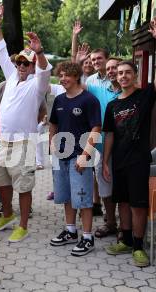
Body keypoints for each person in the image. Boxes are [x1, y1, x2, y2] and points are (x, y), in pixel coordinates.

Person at [0, 4, 51, 242]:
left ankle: (23, 226)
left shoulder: (38, 85)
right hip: (2, 140)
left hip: (24, 143)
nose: (21, 66)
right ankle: (7, 214)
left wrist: (39, 51)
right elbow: (0, 50)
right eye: (19, 63)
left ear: (32, 65)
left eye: (26, 63)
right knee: (0, 180)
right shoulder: (12, 76)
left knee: (24, 186)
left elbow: (45, 69)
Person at [102, 26, 156, 266]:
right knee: (122, 201)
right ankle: (124, 240)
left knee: (138, 204)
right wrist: (105, 161)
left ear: (134, 75)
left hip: (138, 161)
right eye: (119, 73)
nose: (122, 76)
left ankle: (137, 245)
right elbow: (110, 135)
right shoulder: (112, 106)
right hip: (118, 161)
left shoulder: (144, 96)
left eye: (127, 73)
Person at [48, 62, 101, 256]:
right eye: (60, 76)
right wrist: (52, 144)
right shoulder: (59, 99)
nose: (62, 79)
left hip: (80, 157)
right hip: (61, 156)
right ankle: (70, 231)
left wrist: (85, 155)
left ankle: (87, 237)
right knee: (66, 196)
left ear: (76, 76)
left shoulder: (89, 100)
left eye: (66, 75)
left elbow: (96, 129)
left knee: (83, 199)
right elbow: (53, 124)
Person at [86, 57, 122, 238]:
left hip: (126, 149)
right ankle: (110, 223)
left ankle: (126, 227)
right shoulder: (99, 88)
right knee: (105, 187)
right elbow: (77, 83)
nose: (112, 71)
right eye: (109, 69)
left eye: (115, 68)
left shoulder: (133, 91)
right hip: (102, 147)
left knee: (124, 188)